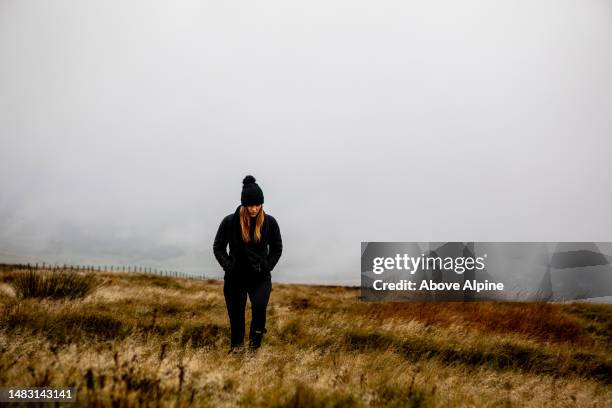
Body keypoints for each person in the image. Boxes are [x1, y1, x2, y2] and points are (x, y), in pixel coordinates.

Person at [213, 175, 283, 353]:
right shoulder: (229, 222)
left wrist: (267, 266)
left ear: (262, 204)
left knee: (259, 308)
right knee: (236, 315)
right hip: (235, 277)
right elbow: (218, 247)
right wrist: (229, 266)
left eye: (257, 205)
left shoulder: (270, 223)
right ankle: (236, 348)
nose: (254, 209)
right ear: (244, 204)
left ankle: (254, 348)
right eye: (250, 205)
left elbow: (277, 248)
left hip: (260, 278)